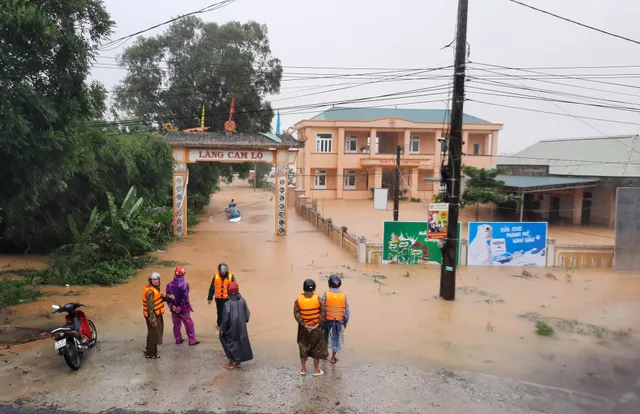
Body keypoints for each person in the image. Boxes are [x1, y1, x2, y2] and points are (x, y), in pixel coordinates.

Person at [294, 279, 328, 376]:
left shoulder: (298, 300)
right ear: (314, 289)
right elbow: (324, 311)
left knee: (303, 347)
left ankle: (304, 370)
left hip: (303, 328)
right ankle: (316, 370)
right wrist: (317, 324)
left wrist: (304, 325)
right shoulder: (318, 298)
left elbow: (296, 313)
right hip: (316, 328)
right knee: (317, 348)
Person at [219, 281, 253, 369]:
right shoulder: (242, 301)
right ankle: (238, 362)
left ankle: (230, 363)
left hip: (231, 328)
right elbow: (247, 314)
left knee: (229, 343)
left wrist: (222, 329)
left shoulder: (227, 304)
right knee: (240, 342)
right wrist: (244, 321)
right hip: (242, 327)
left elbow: (225, 319)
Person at [143, 272, 173, 359]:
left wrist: (168, 298)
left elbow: (158, 298)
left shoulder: (153, 288)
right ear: (150, 280)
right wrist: (153, 320)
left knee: (152, 333)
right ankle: (151, 354)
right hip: (153, 315)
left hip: (155, 314)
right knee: (154, 334)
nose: (156, 281)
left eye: (157, 279)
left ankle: (149, 350)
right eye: (154, 279)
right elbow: (150, 308)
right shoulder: (150, 292)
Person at [166, 266, 199, 346]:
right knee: (188, 324)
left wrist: (172, 306)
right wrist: (180, 307)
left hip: (174, 308)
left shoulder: (169, 285)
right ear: (184, 273)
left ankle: (178, 339)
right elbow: (184, 298)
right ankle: (192, 341)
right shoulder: (185, 284)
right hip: (183, 308)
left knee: (176, 324)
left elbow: (167, 297)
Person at [322, 274, 350, 364]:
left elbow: (322, 307)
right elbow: (347, 311)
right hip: (338, 321)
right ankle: (333, 358)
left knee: (325, 336)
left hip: (327, 320)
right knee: (336, 338)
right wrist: (345, 321)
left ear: (329, 284)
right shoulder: (343, 295)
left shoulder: (326, 294)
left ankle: (324, 353)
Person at [207, 263, 236, 332]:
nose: (222, 273)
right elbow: (212, 288)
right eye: (221, 271)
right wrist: (210, 298)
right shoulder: (216, 277)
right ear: (219, 271)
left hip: (228, 299)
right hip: (218, 299)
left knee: (228, 313)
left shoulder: (231, 277)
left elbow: (235, 288)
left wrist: (234, 298)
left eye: (224, 271)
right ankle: (220, 326)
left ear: (226, 270)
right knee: (219, 313)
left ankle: (228, 327)